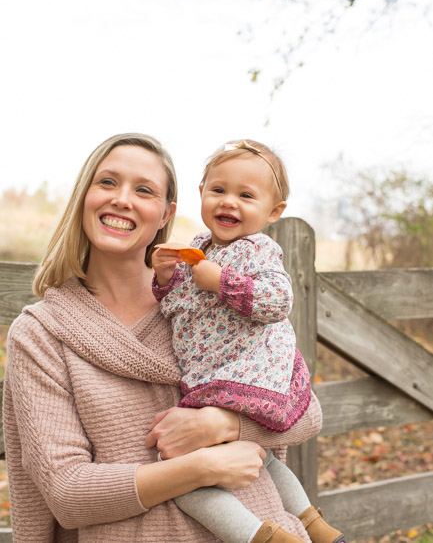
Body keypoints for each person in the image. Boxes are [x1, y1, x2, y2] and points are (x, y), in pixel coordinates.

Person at [3, 133, 324, 543]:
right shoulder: (41, 333)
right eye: (107, 182)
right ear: (83, 196)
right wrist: (200, 468)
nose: (122, 199)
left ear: (165, 213)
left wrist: (223, 423)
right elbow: (67, 493)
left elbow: (307, 414)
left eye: (143, 190)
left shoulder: (205, 297)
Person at [152, 139, 345, 543]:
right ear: (201, 192)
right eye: (219, 190)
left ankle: (260, 537)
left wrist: (222, 281)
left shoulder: (257, 250)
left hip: (245, 371)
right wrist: (167, 279)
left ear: (273, 212)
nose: (229, 202)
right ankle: (312, 524)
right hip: (216, 373)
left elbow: (278, 301)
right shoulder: (197, 247)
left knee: (177, 475)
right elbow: (180, 306)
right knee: (263, 459)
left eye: (246, 195)